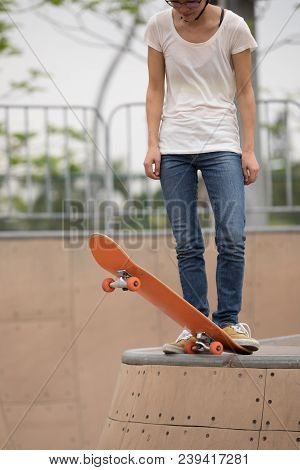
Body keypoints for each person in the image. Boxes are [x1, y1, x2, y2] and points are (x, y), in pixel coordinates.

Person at [143, 0, 260, 353]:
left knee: (231, 235)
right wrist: (152, 144)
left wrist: (249, 148)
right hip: (174, 144)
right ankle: (196, 324)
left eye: (190, 1)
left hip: (222, 142)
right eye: (175, 2)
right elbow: (155, 89)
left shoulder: (235, 27)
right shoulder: (159, 26)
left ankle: (228, 321)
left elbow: (245, 91)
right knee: (187, 242)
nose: (183, 8)